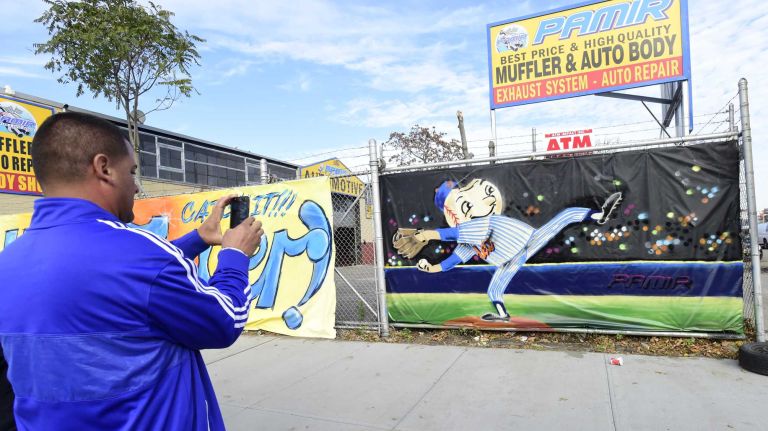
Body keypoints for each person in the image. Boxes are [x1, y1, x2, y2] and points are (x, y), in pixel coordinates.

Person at [0, 112, 263, 430]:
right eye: (133, 171)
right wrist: (235, 254)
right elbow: (224, 320)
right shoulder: (142, 254)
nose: (136, 186)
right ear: (104, 168)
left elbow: (117, 280)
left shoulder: (9, 261)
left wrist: (198, 239)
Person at [394, 178, 622, 321]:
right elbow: (453, 260)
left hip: (525, 242)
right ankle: (502, 315)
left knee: (566, 216)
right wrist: (430, 268)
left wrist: (428, 235)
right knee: (493, 291)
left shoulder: (478, 222)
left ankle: (599, 215)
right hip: (510, 260)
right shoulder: (465, 237)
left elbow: (453, 234)